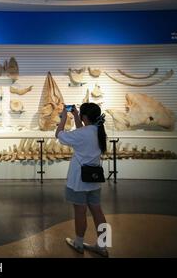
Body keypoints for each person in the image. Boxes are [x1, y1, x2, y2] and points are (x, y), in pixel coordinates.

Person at [55, 103, 109, 257]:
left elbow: (59, 135)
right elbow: (83, 131)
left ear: (85, 117)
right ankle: (103, 245)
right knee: (98, 211)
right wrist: (77, 116)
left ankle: (78, 243)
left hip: (78, 181)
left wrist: (64, 118)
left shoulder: (83, 133)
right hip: (94, 180)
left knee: (80, 211)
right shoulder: (99, 131)